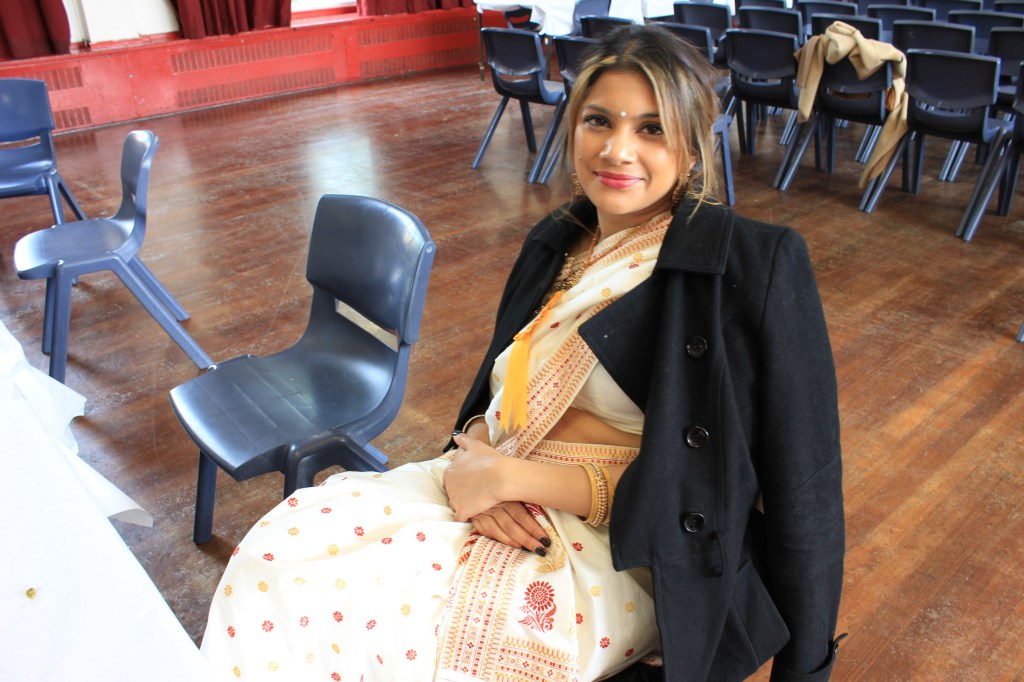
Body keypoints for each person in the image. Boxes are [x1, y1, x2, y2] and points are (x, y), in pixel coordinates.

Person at [200, 24, 845, 682]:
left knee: (407, 639)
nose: (617, 149)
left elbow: (801, 493)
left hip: (630, 550)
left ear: (694, 141)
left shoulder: (752, 266)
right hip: (493, 479)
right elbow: (501, 391)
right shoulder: (558, 239)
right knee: (279, 561)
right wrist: (478, 459)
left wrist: (512, 482)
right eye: (599, 120)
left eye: (652, 128)